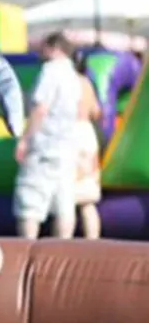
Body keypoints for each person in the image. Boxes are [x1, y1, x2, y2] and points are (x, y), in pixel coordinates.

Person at [12, 32, 82, 240]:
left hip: (44, 145)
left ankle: (27, 248)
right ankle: (63, 252)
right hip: (67, 147)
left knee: (29, 203)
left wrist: (25, 139)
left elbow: (41, 108)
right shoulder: (74, 76)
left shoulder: (50, 71)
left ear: (54, 48)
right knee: (64, 205)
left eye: (43, 48)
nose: (40, 53)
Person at [72, 51, 102, 239]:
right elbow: (96, 111)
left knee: (67, 196)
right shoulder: (87, 83)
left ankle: (63, 242)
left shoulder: (67, 81)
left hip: (72, 134)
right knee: (88, 199)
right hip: (88, 134)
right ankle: (93, 240)